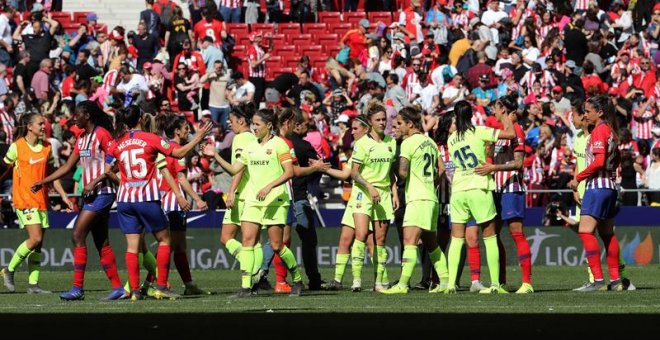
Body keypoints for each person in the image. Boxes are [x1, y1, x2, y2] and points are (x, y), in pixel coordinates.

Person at [105, 105, 211, 300]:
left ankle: (135, 291)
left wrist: (125, 183)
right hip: (147, 198)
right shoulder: (150, 138)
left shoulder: (115, 143)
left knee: (132, 247)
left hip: (125, 201)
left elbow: (106, 169)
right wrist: (197, 138)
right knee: (165, 240)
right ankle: (161, 285)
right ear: (140, 118)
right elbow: (178, 154)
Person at [205, 108, 305, 298]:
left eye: (258, 124)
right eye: (253, 124)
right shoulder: (251, 147)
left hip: (275, 200)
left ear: (269, 125)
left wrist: (269, 186)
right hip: (252, 200)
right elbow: (235, 169)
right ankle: (246, 288)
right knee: (247, 242)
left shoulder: (279, 145)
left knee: (277, 245)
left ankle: (298, 279)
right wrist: (215, 154)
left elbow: (289, 172)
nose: (254, 128)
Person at [30, 101, 125, 301]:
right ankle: (118, 288)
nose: (75, 118)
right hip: (90, 195)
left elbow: (115, 161)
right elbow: (67, 167)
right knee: (101, 242)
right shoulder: (81, 138)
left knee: (77, 235)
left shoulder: (101, 134)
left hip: (103, 193)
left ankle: (77, 288)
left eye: (77, 115)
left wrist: (94, 181)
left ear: (87, 116)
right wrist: (43, 181)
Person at [444, 100, 516, 294]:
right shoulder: (478, 131)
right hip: (478, 187)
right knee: (490, 236)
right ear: (470, 116)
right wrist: (508, 118)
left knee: (457, 239)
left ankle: (451, 284)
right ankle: (494, 284)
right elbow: (511, 135)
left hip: (458, 190)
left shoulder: (451, 139)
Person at [0, 112, 73, 294]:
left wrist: (63, 195)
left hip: (41, 200)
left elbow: (52, 175)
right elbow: (4, 169)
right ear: (30, 126)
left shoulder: (47, 147)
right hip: (24, 200)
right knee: (35, 238)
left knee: (39, 244)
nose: (44, 127)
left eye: (44, 124)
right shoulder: (16, 147)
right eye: (40, 124)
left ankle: (33, 285)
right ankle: (9, 270)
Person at [380, 106, 449, 294]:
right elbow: (441, 169)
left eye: (400, 124)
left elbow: (402, 173)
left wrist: (391, 172)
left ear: (410, 124)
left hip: (417, 199)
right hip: (431, 198)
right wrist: (430, 182)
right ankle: (444, 282)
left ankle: (402, 284)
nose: (397, 127)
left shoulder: (408, 143)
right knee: (432, 244)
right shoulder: (430, 142)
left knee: (409, 241)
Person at [568, 96, 630, 292]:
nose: (585, 114)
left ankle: (597, 280)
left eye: (587, 111)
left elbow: (598, 161)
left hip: (597, 187)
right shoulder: (610, 131)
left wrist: (579, 177)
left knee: (585, 232)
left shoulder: (599, 131)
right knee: (607, 234)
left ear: (599, 112)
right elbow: (617, 158)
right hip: (610, 186)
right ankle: (616, 280)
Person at [475, 95, 534, 294]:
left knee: (516, 233)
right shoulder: (502, 133)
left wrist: (493, 167)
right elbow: (497, 157)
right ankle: (499, 282)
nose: (493, 110)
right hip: (498, 189)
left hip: (512, 188)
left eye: (496, 107)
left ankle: (527, 283)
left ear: (503, 109)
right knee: (493, 234)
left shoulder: (516, 131)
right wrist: (489, 154)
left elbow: (518, 163)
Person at [322, 116, 384, 290]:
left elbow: (350, 175)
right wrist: (324, 168)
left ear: (366, 129)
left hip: (366, 198)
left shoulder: (370, 146)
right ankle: (338, 280)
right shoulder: (359, 147)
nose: (352, 131)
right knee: (345, 239)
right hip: (355, 199)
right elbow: (345, 174)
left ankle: (379, 279)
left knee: (370, 241)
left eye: (356, 128)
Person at [155, 114, 211, 296]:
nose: (188, 131)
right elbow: (181, 178)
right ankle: (157, 284)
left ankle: (188, 285)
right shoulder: (176, 149)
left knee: (175, 246)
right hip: (173, 202)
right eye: (186, 128)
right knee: (172, 246)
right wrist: (198, 198)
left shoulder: (166, 146)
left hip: (165, 201)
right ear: (177, 131)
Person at [209, 104, 262, 292]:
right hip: (255, 195)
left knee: (226, 237)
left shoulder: (240, 138)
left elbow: (238, 170)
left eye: (231, 121)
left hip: (242, 194)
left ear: (241, 121)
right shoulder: (255, 138)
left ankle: (254, 271)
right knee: (253, 241)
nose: (228, 124)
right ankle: (258, 273)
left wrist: (231, 192)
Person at [349, 103, 398, 292]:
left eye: (384, 119)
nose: (382, 122)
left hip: (384, 193)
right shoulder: (362, 144)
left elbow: (391, 173)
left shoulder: (390, 143)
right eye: (378, 119)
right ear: (369, 122)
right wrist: (369, 186)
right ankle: (356, 280)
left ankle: (379, 282)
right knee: (361, 234)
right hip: (364, 191)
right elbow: (354, 173)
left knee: (381, 239)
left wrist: (394, 194)